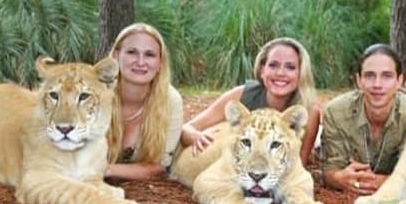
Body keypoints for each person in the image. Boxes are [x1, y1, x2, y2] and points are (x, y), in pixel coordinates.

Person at [179, 37, 320, 165]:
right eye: (273, 65)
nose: (280, 73)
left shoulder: (309, 111)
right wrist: (197, 137)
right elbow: (187, 128)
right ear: (262, 70)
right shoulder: (241, 95)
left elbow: (300, 164)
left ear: (301, 73)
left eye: (290, 67)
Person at [321, 43, 406, 195]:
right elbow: (330, 170)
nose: (377, 84)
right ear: (359, 80)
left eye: (387, 76)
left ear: (399, 81)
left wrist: (385, 181)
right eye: (369, 75)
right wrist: (339, 178)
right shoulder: (336, 112)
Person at [105, 23, 183, 180]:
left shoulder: (170, 100)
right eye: (132, 52)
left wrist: (104, 170)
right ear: (115, 55)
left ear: (160, 63)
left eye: (149, 55)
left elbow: (157, 167)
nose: (140, 62)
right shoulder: (95, 94)